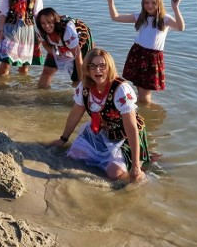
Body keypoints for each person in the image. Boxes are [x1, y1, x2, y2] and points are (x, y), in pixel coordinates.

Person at [49, 48, 149, 183]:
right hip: (99, 131)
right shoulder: (83, 87)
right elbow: (75, 114)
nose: (98, 70)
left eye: (102, 66)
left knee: (116, 175)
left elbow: (131, 127)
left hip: (123, 136)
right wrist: (63, 138)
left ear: (109, 67)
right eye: (93, 66)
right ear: (87, 69)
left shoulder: (121, 89)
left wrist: (136, 165)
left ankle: (142, 170)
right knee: (74, 156)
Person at [107, 0, 185, 104]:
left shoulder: (165, 19)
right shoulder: (140, 17)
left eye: (153, 3)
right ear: (143, 4)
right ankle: (141, 113)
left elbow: (180, 27)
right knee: (140, 91)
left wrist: (175, 7)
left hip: (151, 58)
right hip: (137, 53)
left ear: (159, 3)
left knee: (144, 96)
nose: (150, 6)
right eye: (146, 3)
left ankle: (145, 116)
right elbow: (115, 17)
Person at [0, 0, 43, 75]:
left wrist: (41, 34)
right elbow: (3, 13)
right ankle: (1, 87)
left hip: (27, 31)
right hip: (10, 29)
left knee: (24, 66)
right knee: (5, 62)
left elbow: (38, 15)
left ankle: (22, 89)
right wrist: (1, 30)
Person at [35, 8, 94, 88]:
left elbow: (78, 56)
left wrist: (81, 80)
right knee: (47, 70)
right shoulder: (40, 30)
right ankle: (42, 96)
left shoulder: (67, 30)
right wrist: (58, 55)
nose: (46, 26)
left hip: (80, 39)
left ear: (55, 21)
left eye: (49, 22)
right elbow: (45, 45)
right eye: (43, 23)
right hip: (58, 44)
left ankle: (84, 94)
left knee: (78, 79)